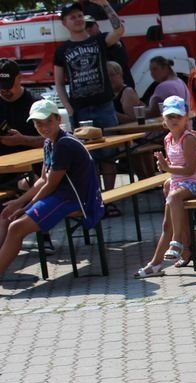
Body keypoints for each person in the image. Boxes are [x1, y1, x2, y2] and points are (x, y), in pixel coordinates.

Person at [0, 100, 103, 281]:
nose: (44, 127)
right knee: (6, 216)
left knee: (16, 226)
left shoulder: (64, 145)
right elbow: (43, 179)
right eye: (39, 123)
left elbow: (50, 185)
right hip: (61, 196)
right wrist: (18, 202)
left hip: (76, 199)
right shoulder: (49, 142)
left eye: (48, 121)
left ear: (58, 119)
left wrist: (25, 207)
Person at [53, 0, 124, 191]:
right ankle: (95, 197)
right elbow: (58, 82)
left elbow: (119, 30)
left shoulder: (98, 40)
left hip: (104, 106)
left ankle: (110, 196)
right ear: (64, 23)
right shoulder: (61, 50)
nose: (77, 19)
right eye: (72, 17)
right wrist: (69, 108)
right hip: (81, 111)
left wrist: (105, 5)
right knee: (88, 157)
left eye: (79, 15)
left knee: (109, 154)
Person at [133, 96, 196, 277]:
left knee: (172, 197)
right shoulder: (167, 139)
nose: (174, 120)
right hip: (178, 185)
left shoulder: (188, 139)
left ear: (186, 118)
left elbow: (189, 170)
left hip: (194, 184)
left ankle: (177, 242)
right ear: (164, 119)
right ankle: (155, 264)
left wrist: (167, 167)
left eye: (178, 116)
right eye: (170, 116)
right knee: (166, 224)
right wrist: (164, 165)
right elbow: (173, 168)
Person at [0, 59, 42, 153]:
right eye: (1, 86)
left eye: (8, 86)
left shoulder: (37, 104)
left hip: (32, 160)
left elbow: (53, 138)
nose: (4, 90)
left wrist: (23, 140)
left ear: (19, 78)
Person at [83, 12, 133, 88]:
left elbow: (117, 32)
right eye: (85, 27)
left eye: (90, 25)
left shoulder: (104, 38)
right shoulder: (88, 45)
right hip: (111, 87)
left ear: (97, 25)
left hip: (122, 86)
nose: (88, 29)